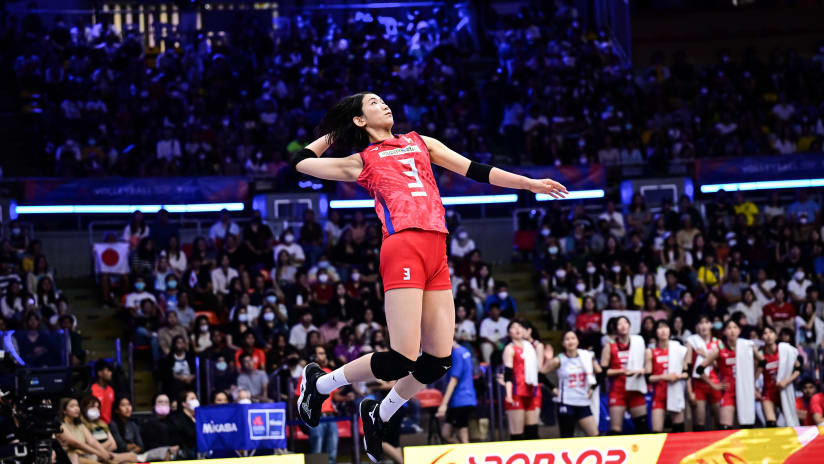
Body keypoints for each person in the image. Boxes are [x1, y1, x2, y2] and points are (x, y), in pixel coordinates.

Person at [293, 92, 567, 461]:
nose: (384, 104)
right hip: (402, 247)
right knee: (401, 358)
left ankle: (380, 412)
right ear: (360, 120)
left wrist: (529, 184)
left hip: (437, 249)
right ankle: (319, 383)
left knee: (438, 360)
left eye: (382, 100)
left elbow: (477, 170)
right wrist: (337, 130)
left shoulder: (422, 141)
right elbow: (301, 163)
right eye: (372, 103)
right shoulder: (360, 161)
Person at [696, 319, 759, 430]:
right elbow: (699, 369)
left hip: (744, 391)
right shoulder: (720, 350)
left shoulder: (747, 347)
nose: (732, 331)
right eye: (729, 328)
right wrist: (713, 385)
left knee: (747, 426)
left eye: (735, 327)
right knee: (725, 428)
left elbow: (762, 362)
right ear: (724, 332)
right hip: (728, 391)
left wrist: (752, 380)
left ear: (739, 330)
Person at [295, 345, 350, 464]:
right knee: (317, 452)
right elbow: (299, 396)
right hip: (316, 416)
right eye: (319, 353)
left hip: (330, 417)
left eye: (323, 353)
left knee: (332, 452)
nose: (322, 356)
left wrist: (346, 397)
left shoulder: (329, 372)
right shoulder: (307, 373)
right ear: (313, 356)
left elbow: (334, 396)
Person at [543, 330, 601, 438]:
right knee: (567, 437)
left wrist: (592, 388)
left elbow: (600, 373)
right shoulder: (560, 359)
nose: (570, 341)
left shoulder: (587, 356)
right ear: (563, 343)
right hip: (566, 402)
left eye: (573, 338)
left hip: (583, 401)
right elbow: (541, 373)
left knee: (594, 434)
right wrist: (553, 388)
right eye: (567, 339)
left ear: (578, 341)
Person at [600, 316, 649, 434]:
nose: (623, 326)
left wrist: (642, 370)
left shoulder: (638, 342)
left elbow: (647, 365)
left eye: (625, 322)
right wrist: (621, 371)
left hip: (635, 387)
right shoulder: (609, 346)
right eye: (619, 324)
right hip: (618, 389)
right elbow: (603, 372)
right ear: (616, 328)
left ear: (629, 325)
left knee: (642, 427)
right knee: (615, 430)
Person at [502, 320, 542, 440]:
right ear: (509, 333)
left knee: (532, 432)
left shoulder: (530, 347)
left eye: (519, 326)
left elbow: (538, 371)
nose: (518, 329)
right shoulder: (510, 349)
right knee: (517, 435)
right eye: (513, 327)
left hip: (531, 391)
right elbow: (508, 373)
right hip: (516, 393)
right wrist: (508, 394)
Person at [646, 321, 688, 433]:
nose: (663, 330)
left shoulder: (678, 348)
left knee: (679, 431)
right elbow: (648, 378)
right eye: (660, 328)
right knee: (656, 432)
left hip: (675, 392)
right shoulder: (651, 351)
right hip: (659, 395)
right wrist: (664, 377)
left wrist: (677, 376)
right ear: (655, 332)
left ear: (670, 330)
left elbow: (686, 373)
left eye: (666, 327)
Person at [756, 325, 801, 427]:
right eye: (765, 333)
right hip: (768, 392)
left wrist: (787, 381)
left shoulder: (785, 350)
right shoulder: (760, 354)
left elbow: (799, 369)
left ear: (776, 336)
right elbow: (753, 376)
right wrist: (754, 390)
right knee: (771, 424)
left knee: (791, 421)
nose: (768, 336)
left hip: (784, 389)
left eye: (771, 332)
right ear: (761, 337)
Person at [110, 396, 178, 461]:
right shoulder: (113, 425)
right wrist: (131, 446)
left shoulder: (133, 424)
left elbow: (141, 446)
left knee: (166, 452)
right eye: (123, 405)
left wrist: (132, 447)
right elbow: (121, 446)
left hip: (137, 455)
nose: (127, 408)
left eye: (129, 404)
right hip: (120, 456)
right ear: (116, 410)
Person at [436, 339, 477, 444]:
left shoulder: (457, 354)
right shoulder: (465, 350)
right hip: (464, 399)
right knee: (446, 433)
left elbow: (453, 381)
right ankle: (462, 456)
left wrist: (443, 405)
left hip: (462, 399)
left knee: (463, 437)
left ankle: (466, 457)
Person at [686, 316, 723, 431]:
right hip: (698, 384)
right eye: (700, 323)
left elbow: (720, 365)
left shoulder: (719, 342)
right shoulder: (691, 341)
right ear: (697, 326)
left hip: (715, 383)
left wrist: (706, 355)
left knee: (720, 420)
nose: (703, 325)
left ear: (711, 325)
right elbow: (687, 367)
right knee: (699, 423)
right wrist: (689, 391)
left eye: (706, 322)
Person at [79, 395, 139, 463]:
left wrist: (102, 450)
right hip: (94, 456)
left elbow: (114, 445)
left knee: (132, 457)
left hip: (107, 454)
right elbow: (88, 448)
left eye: (97, 407)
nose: (96, 409)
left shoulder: (102, 424)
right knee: (131, 457)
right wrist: (104, 448)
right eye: (92, 407)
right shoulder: (82, 426)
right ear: (84, 408)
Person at [58, 397, 115, 464]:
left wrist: (104, 453)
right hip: (72, 457)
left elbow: (92, 441)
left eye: (77, 406)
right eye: (72, 406)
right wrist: (99, 453)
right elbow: (77, 444)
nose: (76, 408)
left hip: (86, 455)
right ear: (64, 410)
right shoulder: (61, 425)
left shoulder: (80, 425)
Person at [91, 360, 116, 424]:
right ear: (99, 373)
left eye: (110, 371)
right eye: (107, 370)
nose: (110, 373)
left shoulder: (111, 390)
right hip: (96, 424)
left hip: (109, 425)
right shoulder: (92, 389)